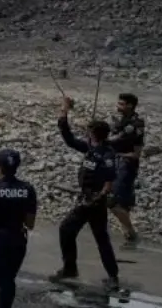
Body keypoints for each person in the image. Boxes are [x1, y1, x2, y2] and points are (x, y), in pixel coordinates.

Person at [50, 94, 120, 291]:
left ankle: (73, 269)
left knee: (68, 230)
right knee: (97, 237)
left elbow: (109, 182)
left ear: (93, 133)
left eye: (88, 130)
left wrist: (98, 198)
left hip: (93, 202)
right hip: (87, 198)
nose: (86, 133)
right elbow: (69, 138)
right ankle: (110, 275)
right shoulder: (91, 147)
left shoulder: (106, 154)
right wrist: (64, 111)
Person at [0, 148, 37, 308]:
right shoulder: (28, 190)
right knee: (9, 279)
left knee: (1, 282)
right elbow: (30, 224)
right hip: (18, 240)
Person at [108, 93, 144, 248]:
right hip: (116, 163)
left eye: (121, 104)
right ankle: (129, 237)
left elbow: (136, 153)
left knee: (113, 201)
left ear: (130, 105)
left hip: (126, 165)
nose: (118, 106)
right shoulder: (121, 121)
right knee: (122, 203)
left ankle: (132, 234)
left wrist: (116, 153)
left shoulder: (135, 124)